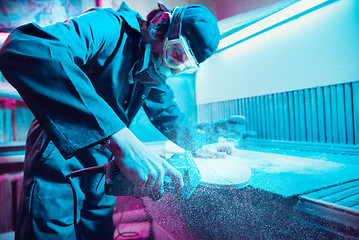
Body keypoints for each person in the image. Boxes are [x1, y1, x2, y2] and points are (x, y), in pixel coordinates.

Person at [0, 1, 226, 239]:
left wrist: (200, 143)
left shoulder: (148, 67)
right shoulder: (108, 26)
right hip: (58, 164)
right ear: (161, 24)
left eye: (183, 66)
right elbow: (27, 47)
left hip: (100, 174)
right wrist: (122, 138)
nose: (172, 68)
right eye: (176, 53)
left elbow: (166, 111)